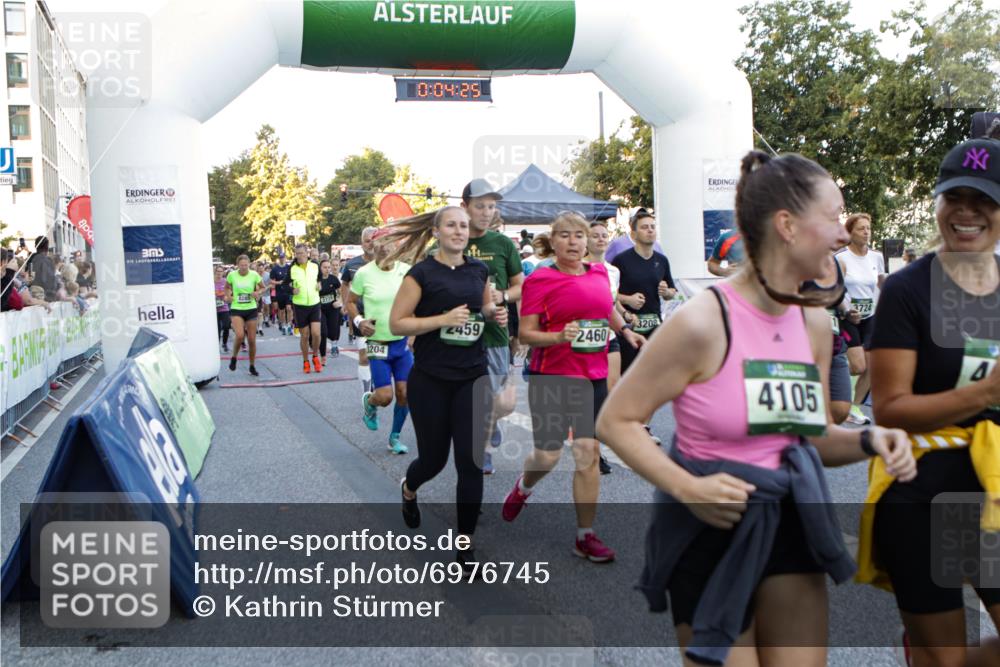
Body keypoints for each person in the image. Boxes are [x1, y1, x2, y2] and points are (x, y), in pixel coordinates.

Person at [597, 150, 915, 666]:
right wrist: (688, 488)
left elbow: (807, 435)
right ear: (787, 225)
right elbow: (617, 419)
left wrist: (869, 439)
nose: (842, 235)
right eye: (833, 218)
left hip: (789, 519)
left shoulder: (812, 321)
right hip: (709, 527)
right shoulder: (704, 320)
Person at [862, 134, 1000, 667]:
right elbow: (890, 407)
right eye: (955, 198)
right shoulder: (908, 290)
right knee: (944, 658)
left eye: (984, 200)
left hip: (993, 485)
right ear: (939, 203)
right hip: (926, 491)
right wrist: (987, 393)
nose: (967, 213)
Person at [502, 212, 644, 563]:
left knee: (587, 455)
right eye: (564, 235)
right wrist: (557, 336)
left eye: (578, 235)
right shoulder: (541, 280)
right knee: (548, 454)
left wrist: (625, 330)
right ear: (553, 241)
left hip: (592, 375)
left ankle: (585, 535)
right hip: (552, 374)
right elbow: (526, 334)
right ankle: (524, 486)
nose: (573, 241)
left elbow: (606, 308)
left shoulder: (598, 272)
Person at [386, 206, 506, 571]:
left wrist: (492, 314)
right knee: (434, 461)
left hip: (473, 377)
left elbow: (484, 309)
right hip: (432, 380)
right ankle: (409, 487)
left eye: (464, 226)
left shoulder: (479, 270)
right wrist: (442, 319)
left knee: (470, 465)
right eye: (451, 225)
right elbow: (397, 324)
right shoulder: (421, 274)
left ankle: (465, 551)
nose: (458, 231)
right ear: (437, 231)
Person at [461, 178, 524, 475]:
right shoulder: (452, 239)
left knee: (500, 400)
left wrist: (504, 296)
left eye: (491, 206)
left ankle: (492, 421)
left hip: (496, 332)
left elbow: (519, 285)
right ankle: (482, 450)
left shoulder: (501, 244)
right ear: (465, 208)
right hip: (461, 335)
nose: (486, 212)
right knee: (477, 398)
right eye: (479, 206)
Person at [348, 231, 413, 455]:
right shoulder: (364, 274)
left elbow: (416, 302)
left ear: (396, 245)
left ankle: (394, 438)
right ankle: (371, 403)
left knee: (405, 393)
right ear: (372, 246)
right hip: (377, 343)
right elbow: (350, 301)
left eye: (388, 243)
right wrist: (359, 321)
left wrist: (414, 334)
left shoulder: (406, 272)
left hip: (402, 343)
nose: (384, 248)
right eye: (379, 243)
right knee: (385, 397)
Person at [837, 213, 887, 424]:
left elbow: (881, 283)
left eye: (868, 228)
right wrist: (847, 310)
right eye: (861, 229)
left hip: (871, 316)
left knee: (871, 366)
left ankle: (854, 407)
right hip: (848, 316)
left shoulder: (876, 257)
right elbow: (835, 290)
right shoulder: (841, 259)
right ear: (850, 233)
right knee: (858, 366)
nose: (866, 232)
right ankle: (828, 377)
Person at [585, 219, 624, 474]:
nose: (601, 239)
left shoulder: (613, 271)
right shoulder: (579, 268)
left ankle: (596, 449)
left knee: (609, 394)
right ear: (586, 240)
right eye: (595, 235)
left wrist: (625, 319)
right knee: (589, 398)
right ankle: (591, 450)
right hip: (584, 340)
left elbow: (612, 302)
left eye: (604, 235)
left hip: (609, 337)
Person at [342, 227, 378, 391]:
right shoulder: (351, 264)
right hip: (361, 315)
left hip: (382, 315)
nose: (370, 243)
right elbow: (344, 284)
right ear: (362, 243)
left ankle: (376, 380)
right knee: (364, 355)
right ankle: (367, 393)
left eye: (373, 239)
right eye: (367, 240)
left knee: (377, 356)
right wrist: (345, 303)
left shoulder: (387, 262)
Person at [225, 255, 265, 376]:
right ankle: (234, 357)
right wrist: (229, 296)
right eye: (241, 265)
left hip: (251, 308)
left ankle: (252, 366)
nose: (244, 267)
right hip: (237, 308)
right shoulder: (232, 275)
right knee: (240, 335)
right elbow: (227, 287)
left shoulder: (254, 275)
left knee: (252, 340)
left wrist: (257, 292)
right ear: (238, 265)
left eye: (246, 265)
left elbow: (263, 287)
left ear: (249, 264)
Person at [290, 243, 323, 374]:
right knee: (304, 335)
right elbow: (285, 284)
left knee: (316, 333)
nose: (300, 256)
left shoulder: (314, 265)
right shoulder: (292, 268)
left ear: (307, 253)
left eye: (302, 253)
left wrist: (319, 284)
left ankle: (315, 356)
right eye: (297, 254)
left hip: (314, 303)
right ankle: (305, 360)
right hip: (300, 305)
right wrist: (292, 289)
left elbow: (320, 278)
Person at [318, 259, 342, 363]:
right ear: (320, 268)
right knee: (323, 332)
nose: (327, 269)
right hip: (320, 309)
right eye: (325, 267)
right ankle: (323, 355)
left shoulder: (334, 279)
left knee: (333, 331)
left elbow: (342, 292)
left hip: (333, 308)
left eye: (328, 267)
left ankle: (334, 345)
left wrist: (339, 301)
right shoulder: (316, 280)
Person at [269, 253, 293, 335]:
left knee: (289, 308)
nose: (282, 259)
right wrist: (278, 282)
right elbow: (271, 280)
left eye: (283, 257)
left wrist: (291, 283)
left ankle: (289, 325)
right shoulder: (275, 269)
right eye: (280, 258)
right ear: (279, 259)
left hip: (288, 292)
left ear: (286, 258)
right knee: (281, 310)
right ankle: (283, 325)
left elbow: (293, 278)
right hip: (279, 292)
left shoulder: (289, 267)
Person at [214, 265, 232, 352]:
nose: (219, 273)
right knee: (217, 328)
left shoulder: (225, 281)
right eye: (218, 271)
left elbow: (230, 291)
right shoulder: (211, 282)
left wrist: (227, 297)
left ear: (223, 273)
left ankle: (224, 344)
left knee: (226, 325)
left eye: (221, 272)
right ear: (215, 272)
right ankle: (216, 345)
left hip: (224, 307)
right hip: (214, 309)